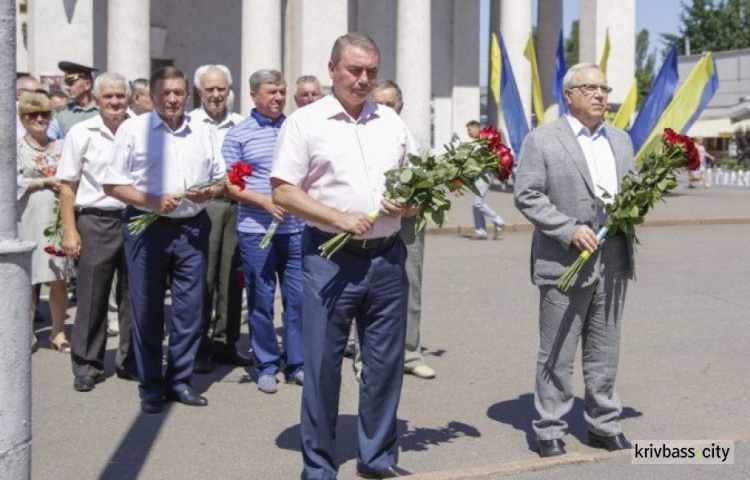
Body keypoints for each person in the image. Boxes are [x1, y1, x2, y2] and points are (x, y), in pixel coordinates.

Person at [271, 33, 416, 479]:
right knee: (321, 366)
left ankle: (377, 458)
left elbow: (418, 187)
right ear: (333, 68)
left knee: (384, 365)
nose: (363, 79)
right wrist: (337, 216)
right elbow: (283, 190)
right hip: (329, 259)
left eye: (371, 71)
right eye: (354, 70)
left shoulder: (391, 123)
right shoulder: (306, 122)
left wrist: (410, 205)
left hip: (388, 259)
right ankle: (318, 465)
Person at [514, 63, 636, 458]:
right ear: (569, 94)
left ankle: (603, 421)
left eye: (605, 87)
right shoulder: (543, 140)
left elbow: (631, 192)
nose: (601, 95)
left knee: (605, 348)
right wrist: (567, 229)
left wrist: (639, 203)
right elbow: (528, 194)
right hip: (563, 260)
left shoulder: (621, 140)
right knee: (558, 350)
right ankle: (549, 427)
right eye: (591, 87)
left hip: (613, 259)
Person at [103, 67, 226, 414]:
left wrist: (210, 192)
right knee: (147, 309)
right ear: (153, 96)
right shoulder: (134, 129)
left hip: (191, 228)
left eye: (178, 93)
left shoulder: (201, 130)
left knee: (190, 309)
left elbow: (220, 178)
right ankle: (151, 385)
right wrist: (150, 200)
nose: (172, 99)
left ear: (188, 96)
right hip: (147, 227)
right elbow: (112, 184)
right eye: (165, 93)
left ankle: (179, 380)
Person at [224, 69, 305, 393]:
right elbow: (230, 184)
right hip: (256, 229)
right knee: (260, 299)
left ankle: (297, 363)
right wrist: (265, 202)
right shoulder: (238, 134)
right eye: (272, 92)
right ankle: (267, 364)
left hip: (296, 229)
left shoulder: (295, 128)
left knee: (297, 299)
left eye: (282, 92)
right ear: (255, 95)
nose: (278, 98)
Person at [57, 72, 137, 392]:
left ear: (128, 97)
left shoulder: (140, 129)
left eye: (120, 95)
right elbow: (67, 185)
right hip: (96, 220)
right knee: (92, 295)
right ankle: (87, 364)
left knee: (135, 295)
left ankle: (130, 361)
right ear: (98, 99)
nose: (115, 102)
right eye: (109, 97)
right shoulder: (81, 132)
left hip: (135, 219)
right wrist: (70, 231)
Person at [351, 79, 435, 380]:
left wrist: (414, 206)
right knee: (368, 290)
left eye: (391, 103)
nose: (386, 108)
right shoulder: (361, 137)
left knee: (410, 285)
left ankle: (410, 354)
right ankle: (365, 358)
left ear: (400, 105)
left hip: (410, 222)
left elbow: (430, 188)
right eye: (380, 103)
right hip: (374, 224)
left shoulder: (418, 141)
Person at [190, 64, 251, 373]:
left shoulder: (241, 124)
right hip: (203, 205)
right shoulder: (189, 124)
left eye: (221, 89)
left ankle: (225, 343)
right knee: (204, 277)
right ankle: (197, 346)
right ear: (200, 92)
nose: (216, 95)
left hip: (236, 205)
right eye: (209, 89)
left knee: (231, 275)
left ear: (229, 91)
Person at [16, 91, 72, 353]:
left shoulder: (61, 146)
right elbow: (10, 183)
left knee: (59, 277)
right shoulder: (15, 148)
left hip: (59, 220)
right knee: (28, 278)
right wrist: (44, 181)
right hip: (27, 219)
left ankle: (58, 332)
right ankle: (26, 332)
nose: (39, 119)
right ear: (23, 118)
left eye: (44, 114)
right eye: (32, 115)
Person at [466, 120, 505, 239]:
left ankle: (499, 222)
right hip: (480, 175)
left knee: (478, 203)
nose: (468, 132)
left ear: (476, 128)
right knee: (475, 204)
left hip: (486, 174)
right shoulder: (477, 142)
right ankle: (481, 231)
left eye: (469, 129)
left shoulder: (485, 140)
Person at [56, 61, 100, 134]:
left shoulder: (104, 110)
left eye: (70, 83)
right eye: (66, 83)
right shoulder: (63, 114)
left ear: (87, 84)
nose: (66, 87)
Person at [16, 75, 64, 140]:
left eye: (42, 93)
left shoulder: (49, 114)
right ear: (19, 94)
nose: (39, 118)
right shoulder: (5, 117)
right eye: (36, 93)